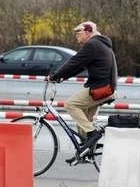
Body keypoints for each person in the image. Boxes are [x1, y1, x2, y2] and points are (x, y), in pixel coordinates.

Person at [47, 21, 117, 161]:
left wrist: (55, 76)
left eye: (78, 32)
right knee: (83, 118)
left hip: (100, 88)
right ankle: (85, 152)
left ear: (88, 31)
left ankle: (92, 134)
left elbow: (74, 62)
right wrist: (62, 77)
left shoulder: (92, 45)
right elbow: (79, 66)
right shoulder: (100, 44)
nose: (76, 36)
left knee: (71, 105)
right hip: (106, 87)